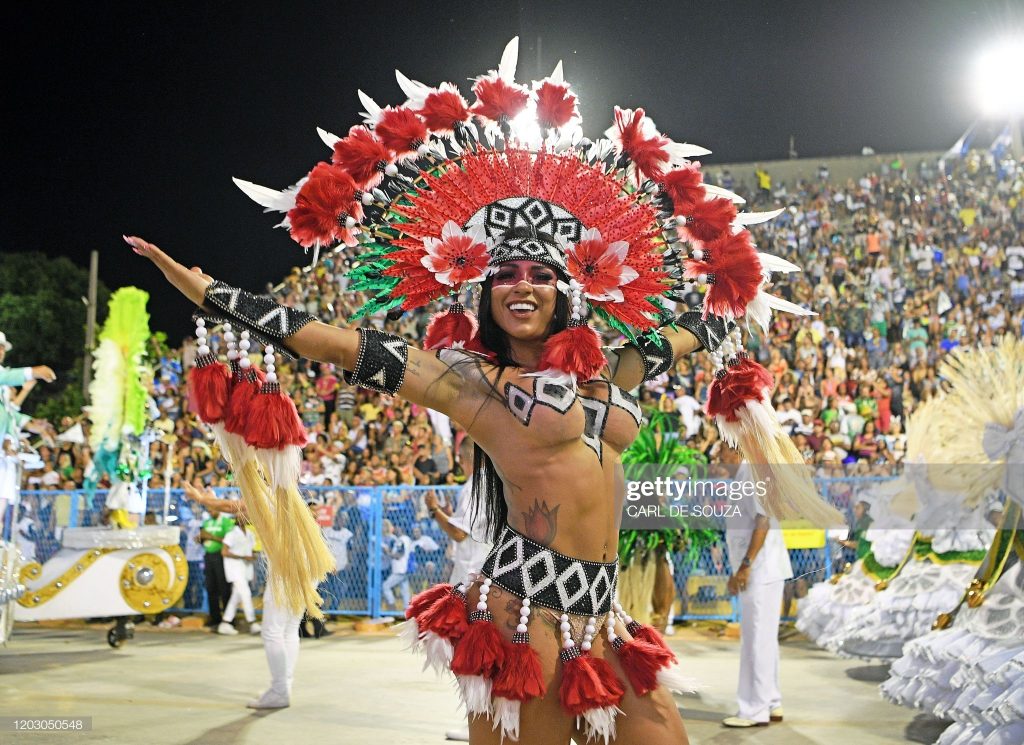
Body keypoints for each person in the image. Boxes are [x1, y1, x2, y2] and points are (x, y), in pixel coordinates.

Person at [127, 41, 825, 742]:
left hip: (606, 610)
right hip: (529, 611)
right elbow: (335, 342)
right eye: (506, 274)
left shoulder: (613, 369)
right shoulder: (470, 383)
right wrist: (213, 293)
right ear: (485, 292)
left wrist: (737, 270)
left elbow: (700, 326)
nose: (523, 284)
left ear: (566, 290)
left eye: (541, 273)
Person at [182, 482, 301, 709]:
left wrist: (202, 499)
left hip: (288, 567)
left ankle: (279, 691)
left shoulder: (269, 495)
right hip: (303, 564)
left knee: (272, 631)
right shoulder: (285, 496)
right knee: (289, 628)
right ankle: (284, 686)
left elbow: (233, 507)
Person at [424, 437, 493, 742]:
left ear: (467, 459)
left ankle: (476, 726)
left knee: (468, 658)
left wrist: (433, 510)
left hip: (469, 581)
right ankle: (482, 723)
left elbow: (458, 533)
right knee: (481, 657)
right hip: (489, 579)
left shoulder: (473, 486)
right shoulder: (495, 485)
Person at [722, 442, 792, 728]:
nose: (717, 459)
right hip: (760, 569)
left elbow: (763, 522)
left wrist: (745, 566)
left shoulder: (750, 474)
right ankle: (772, 701)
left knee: (755, 641)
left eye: (721, 452)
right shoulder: (746, 474)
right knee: (764, 640)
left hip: (759, 570)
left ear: (734, 451)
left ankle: (754, 710)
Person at [219, 510, 260, 635]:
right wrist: (242, 557)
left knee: (236, 597)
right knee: (245, 593)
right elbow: (224, 552)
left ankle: (225, 623)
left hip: (246, 569)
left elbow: (251, 552)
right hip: (234, 569)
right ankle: (252, 623)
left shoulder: (250, 534)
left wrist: (252, 557)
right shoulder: (231, 534)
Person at [199, 504, 235, 629]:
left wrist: (211, 537)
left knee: (224, 588)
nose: (210, 512)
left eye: (212, 509)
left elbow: (230, 540)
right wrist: (200, 538)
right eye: (208, 510)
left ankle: (229, 619)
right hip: (208, 556)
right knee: (211, 588)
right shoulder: (207, 522)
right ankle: (215, 618)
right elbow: (203, 537)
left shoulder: (226, 522)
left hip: (221, 557)